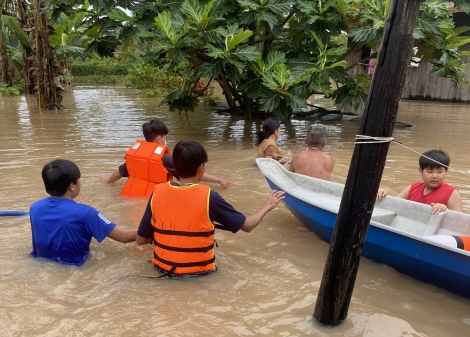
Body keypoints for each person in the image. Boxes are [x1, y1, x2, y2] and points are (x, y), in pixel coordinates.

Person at [136, 140, 285, 277]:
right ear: (201, 168)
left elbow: (141, 240)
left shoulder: (157, 192)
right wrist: (268, 205)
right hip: (199, 277)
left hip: (161, 270)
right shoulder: (209, 197)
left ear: (174, 166)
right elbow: (248, 225)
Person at [30, 159, 137, 266]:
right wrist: (150, 227)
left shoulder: (35, 208)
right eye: (79, 179)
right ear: (72, 186)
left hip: (39, 263)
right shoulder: (86, 213)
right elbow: (124, 236)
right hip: (74, 268)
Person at [99, 120, 234, 198]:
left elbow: (118, 173)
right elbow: (191, 173)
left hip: (129, 197)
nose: (166, 140)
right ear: (159, 139)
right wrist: (218, 179)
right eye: (165, 137)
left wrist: (107, 181)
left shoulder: (136, 157)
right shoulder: (166, 159)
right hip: (155, 200)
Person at [376, 149, 463, 213]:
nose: (435, 176)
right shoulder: (412, 188)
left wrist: (445, 211)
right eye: (430, 171)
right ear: (420, 171)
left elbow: (459, 221)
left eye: (440, 172)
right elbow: (393, 204)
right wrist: (382, 194)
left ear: (446, 171)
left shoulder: (452, 193)